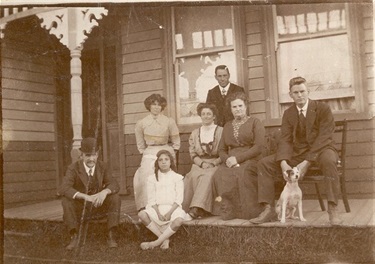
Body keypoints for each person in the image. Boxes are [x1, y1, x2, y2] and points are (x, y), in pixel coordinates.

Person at [249, 76, 343, 225]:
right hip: (297, 153)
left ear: (308, 91)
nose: (300, 95)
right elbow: (285, 139)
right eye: (296, 92)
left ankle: (332, 208)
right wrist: (283, 162)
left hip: (321, 150)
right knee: (264, 164)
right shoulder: (289, 113)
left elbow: (324, 137)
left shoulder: (322, 109)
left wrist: (307, 161)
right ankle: (268, 209)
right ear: (290, 95)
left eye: (302, 91)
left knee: (329, 160)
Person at [58, 137, 121, 250]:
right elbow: (64, 188)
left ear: (97, 155)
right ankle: (74, 236)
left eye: (93, 155)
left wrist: (104, 192)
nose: (91, 159)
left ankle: (111, 235)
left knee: (115, 197)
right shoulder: (73, 168)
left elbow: (114, 184)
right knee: (66, 200)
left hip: (98, 206)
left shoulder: (103, 166)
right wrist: (85, 197)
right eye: (87, 155)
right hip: (81, 208)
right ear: (81, 155)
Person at [212, 92, 264, 220]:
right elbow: (221, 149)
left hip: (251, 158)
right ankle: (229, 211)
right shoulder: (228, 125)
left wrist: (238, 159)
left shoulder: (255, 122)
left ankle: (247, 212)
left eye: (240, 106)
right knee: (219, 174)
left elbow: (258, 147)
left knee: (243, 172)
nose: (238, 109)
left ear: (246, 106)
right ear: (231, 109)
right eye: (234, 107)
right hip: (231, 159)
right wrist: (227, 159)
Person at [134, 94, 180, 212]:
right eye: (153, 104)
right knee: (145, 175)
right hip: (149, 151)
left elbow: (176, 142)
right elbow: (140, 145)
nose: (156, 107)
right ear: (149, 106)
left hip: (165, 149)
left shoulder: (169, 121)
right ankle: (146, 206)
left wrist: (171, 153)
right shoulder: (141, 123)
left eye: (159, 105)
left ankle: (167, 205)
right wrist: (146, 153)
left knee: (165, 175)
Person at [138, 149, 188, 250]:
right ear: (157, 163)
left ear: (171, 162)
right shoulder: (152, 178)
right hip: (157, 208)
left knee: (178, 220)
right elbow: (151, 200)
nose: (163, 162)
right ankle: (165, 239)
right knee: (142, 214)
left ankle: (155, 243)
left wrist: (169, 213)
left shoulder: (177, 178)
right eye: (160, 160)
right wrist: (158, 214)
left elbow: (179, 199)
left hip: (172, 208)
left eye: (166, 159)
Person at [182, 103, 223, 218]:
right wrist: (202, 163)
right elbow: (193, 153)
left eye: (209, 114)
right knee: (191, 176)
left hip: (217, 162)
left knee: (208, 176)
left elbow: (225, 152)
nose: (206, 116)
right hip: (200, 163)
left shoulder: (221, 131)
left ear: (214, 116)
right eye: (203, 114)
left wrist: (214, 163)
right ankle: (188, 207)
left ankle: (197, 208)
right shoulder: (195, 133)